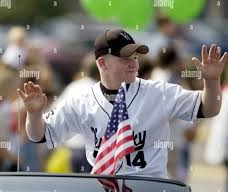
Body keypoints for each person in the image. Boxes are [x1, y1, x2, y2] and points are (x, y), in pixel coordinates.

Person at [17, 28, 227, 178]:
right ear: (102, 62)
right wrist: (34, 115)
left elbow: (209, 108)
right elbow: (40, 135)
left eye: (135, 57)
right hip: (103, 189)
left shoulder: (158, 92)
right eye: (125, 58)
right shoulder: (81, 100)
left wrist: (211, 81)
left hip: (150, 190)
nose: (134, 63)